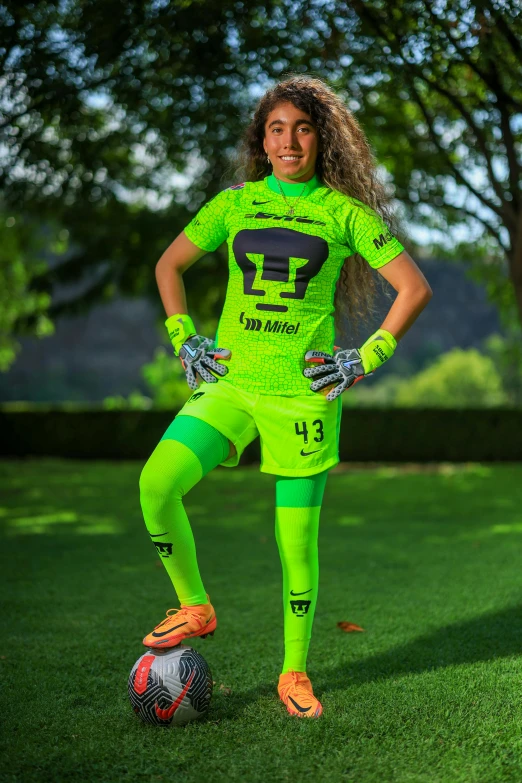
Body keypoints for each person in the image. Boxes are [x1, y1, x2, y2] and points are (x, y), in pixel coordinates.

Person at [139, 75, 432, 718]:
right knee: (156, 484)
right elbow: (168, 266)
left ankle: (294, 672)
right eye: (277, 128)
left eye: (302, 127)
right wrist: (184, 338)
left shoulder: (343, 214)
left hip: (303, 398)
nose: (290, 139)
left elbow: (413, 288)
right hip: (231, 383)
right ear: (262, 141)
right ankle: (196, 605)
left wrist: (365, 357)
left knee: (295, 544)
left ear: (319, 140)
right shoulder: (235, 203)